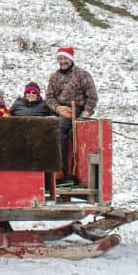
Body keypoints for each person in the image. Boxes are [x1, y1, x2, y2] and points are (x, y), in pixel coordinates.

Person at [46, 47, 99, 178]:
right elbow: (49, 97)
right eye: (60, 59)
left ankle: (62, 170)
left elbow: (92, 96)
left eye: (65, 58)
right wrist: (58, 108)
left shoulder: (82, 75)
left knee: (60, 129)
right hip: (58, 109)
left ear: (71, 59)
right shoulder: (54, 76)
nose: (62, 61)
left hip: (76, 109)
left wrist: (86, 113)